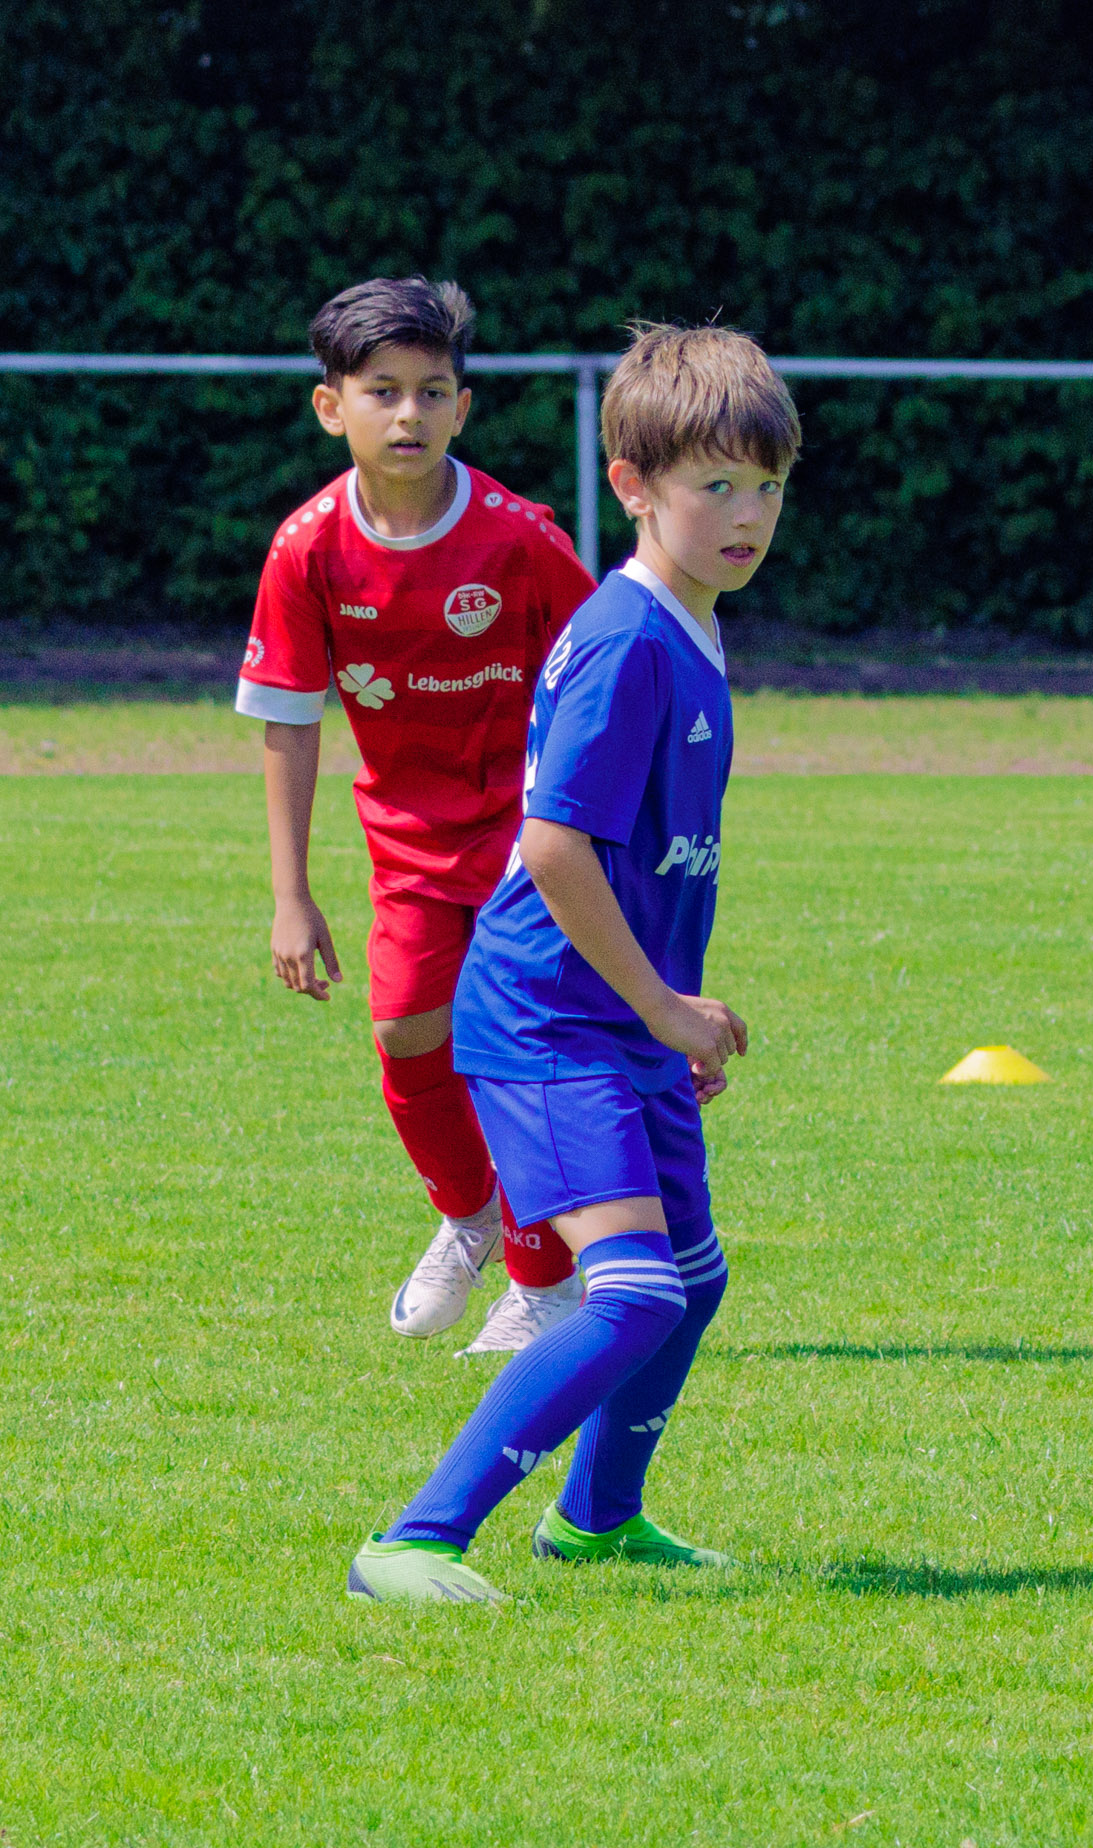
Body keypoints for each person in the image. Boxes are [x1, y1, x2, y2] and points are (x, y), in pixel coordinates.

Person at [347, 322, 795, 1602]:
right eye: (716, 484)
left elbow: (652, 860)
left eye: (767, 485)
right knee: (636, 1293)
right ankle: (413, 1540)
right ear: (632, 485)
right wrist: (658, 1005)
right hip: (549, 1020)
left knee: (692, 1280)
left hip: (619, 1019)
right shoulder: (626, 641)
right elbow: (551, 847)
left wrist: (664, 1014)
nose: (747, 514)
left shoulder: (689, 627)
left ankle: (598, 1518)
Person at [239, 278, 593, 1355]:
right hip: (410, 842)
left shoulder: (519, 539)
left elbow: (602, 675)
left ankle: (545, 1282)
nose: (409, 413)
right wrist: (291, 896)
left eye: (432, 391)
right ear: (330, 407)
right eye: (382, 390)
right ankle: (471, 1214)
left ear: (463, 408)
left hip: (533, 838)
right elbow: (289, 720)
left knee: (509, 1045)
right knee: (403, 1031)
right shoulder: (307, 549)